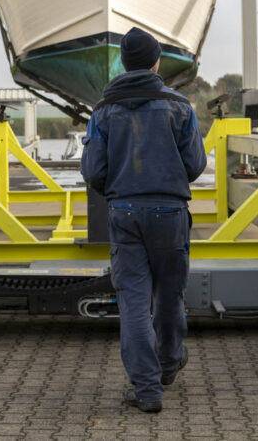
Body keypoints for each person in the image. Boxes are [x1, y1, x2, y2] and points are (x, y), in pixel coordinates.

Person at [80, 27, 207, 414]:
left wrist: (121, 189)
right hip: (170, 214)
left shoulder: (103, 111)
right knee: (170, 295)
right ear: (156, 62)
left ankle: (147, 389)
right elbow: (196, 165)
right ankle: (168, 365)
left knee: (134, 302)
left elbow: (92, 171)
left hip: (125, 214)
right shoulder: (180, 107)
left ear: (124, 61)